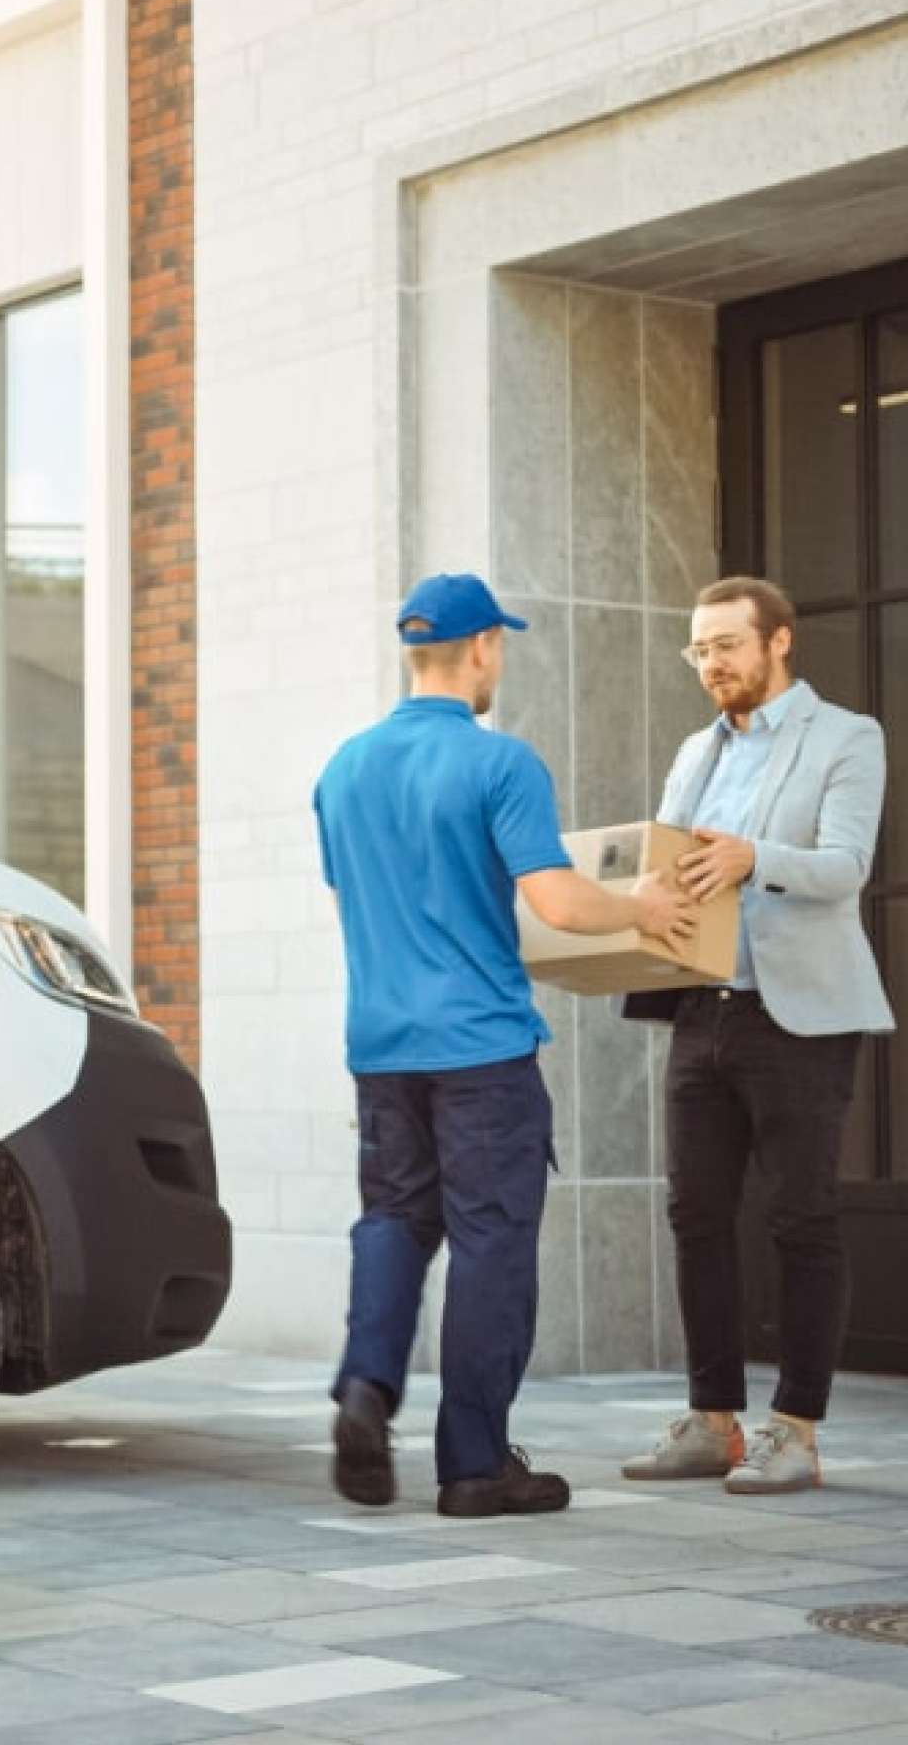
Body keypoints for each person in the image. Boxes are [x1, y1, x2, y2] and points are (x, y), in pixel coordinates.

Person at [315, 573, 692, 1518]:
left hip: (381, 1046)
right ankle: (476, 1464)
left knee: (395, 1220)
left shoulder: (343, 769)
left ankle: (366, 1388)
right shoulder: (500, 763)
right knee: (490, 1243)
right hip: (480, 1049)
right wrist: (641, 907)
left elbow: (372, 897)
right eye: (501, 646)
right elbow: (559, 900)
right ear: (482, 647)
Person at [620, 577, 892, 1496]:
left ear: (779, 642)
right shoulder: (696, 751)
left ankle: (797, 1429)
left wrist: (753, 859)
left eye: (727, 646)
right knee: (696, 1215)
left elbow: (847, 867)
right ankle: (713, 1421)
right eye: (699, 650)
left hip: (800, 1014)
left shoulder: (847, 737)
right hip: (704, 1008)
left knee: (800, 1216)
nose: (712, 665)